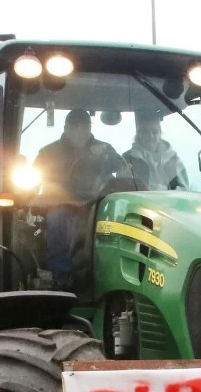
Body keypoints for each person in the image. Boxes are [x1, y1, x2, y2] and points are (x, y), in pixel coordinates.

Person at [33, 109, 129, 289]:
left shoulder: (103, 148)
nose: (82, 131)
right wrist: (29, 199)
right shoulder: (48, 153)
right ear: (66, 128)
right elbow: (32, 182)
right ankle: (62, 278)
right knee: (58, 219)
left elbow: (121, 167)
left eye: (86, 127)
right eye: (76, 127)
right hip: (61, 204)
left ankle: (114, 277)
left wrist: (106, 155)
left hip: (97, 204)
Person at [124, 114, 188, 191]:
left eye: (154, 132)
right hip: (136, 202)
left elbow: (184, 191)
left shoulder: (173, 160)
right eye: (145, 132)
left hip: (168, 202)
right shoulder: (127, 158)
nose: (150, 136)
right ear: (138, 134)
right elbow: (120, 189)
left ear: (160, 133)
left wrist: (164, 192)